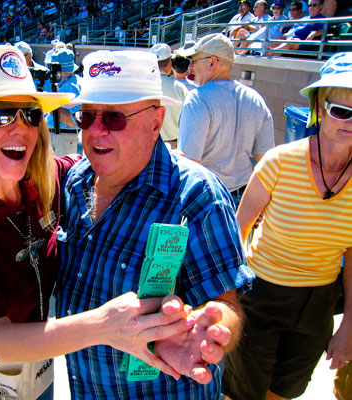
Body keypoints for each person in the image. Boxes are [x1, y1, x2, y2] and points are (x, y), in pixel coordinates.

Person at [0, 45, 194, 400]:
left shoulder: (48, 180)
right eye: (0, 115)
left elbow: (105, 161)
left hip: (40, 360)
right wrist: (104, 326)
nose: (19, 129)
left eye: (31, 115)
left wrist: (170, 162)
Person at [55, 49, 255, 399]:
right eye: (86, 116)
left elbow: (226, 305)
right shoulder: (75, 181)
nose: (97, 131)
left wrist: (210, 329)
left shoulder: (197, 197)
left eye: (115, 117)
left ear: (155, 121)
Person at [222, 51, 352, 400]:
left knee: (285, 390)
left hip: (319, 302)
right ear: (320, 109)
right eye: (342, 111)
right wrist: (227, 301)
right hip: (262, 292)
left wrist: (349, 325)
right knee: (244, 390)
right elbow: (238, 231)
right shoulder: (280, 162)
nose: (350, 122)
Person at [178, 33, 275, 206]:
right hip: (243, 197)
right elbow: (266, 159)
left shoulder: (198, 99)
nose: (191, 67)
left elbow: (189, 162)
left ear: (212, 62)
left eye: (194, 61)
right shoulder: (255, 98)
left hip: (207, 198)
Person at [45, 48, 82, 156]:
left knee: (62, 172)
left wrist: (50, 105)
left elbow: (71, 121)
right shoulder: (67, 83)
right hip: (59, 135)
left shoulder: (71, 86)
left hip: (64, 137)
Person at [149, 43, 186, 148]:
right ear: (170, 63)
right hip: (174, 144)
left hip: (148, 144)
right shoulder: (180, 88)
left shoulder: (144, 87)